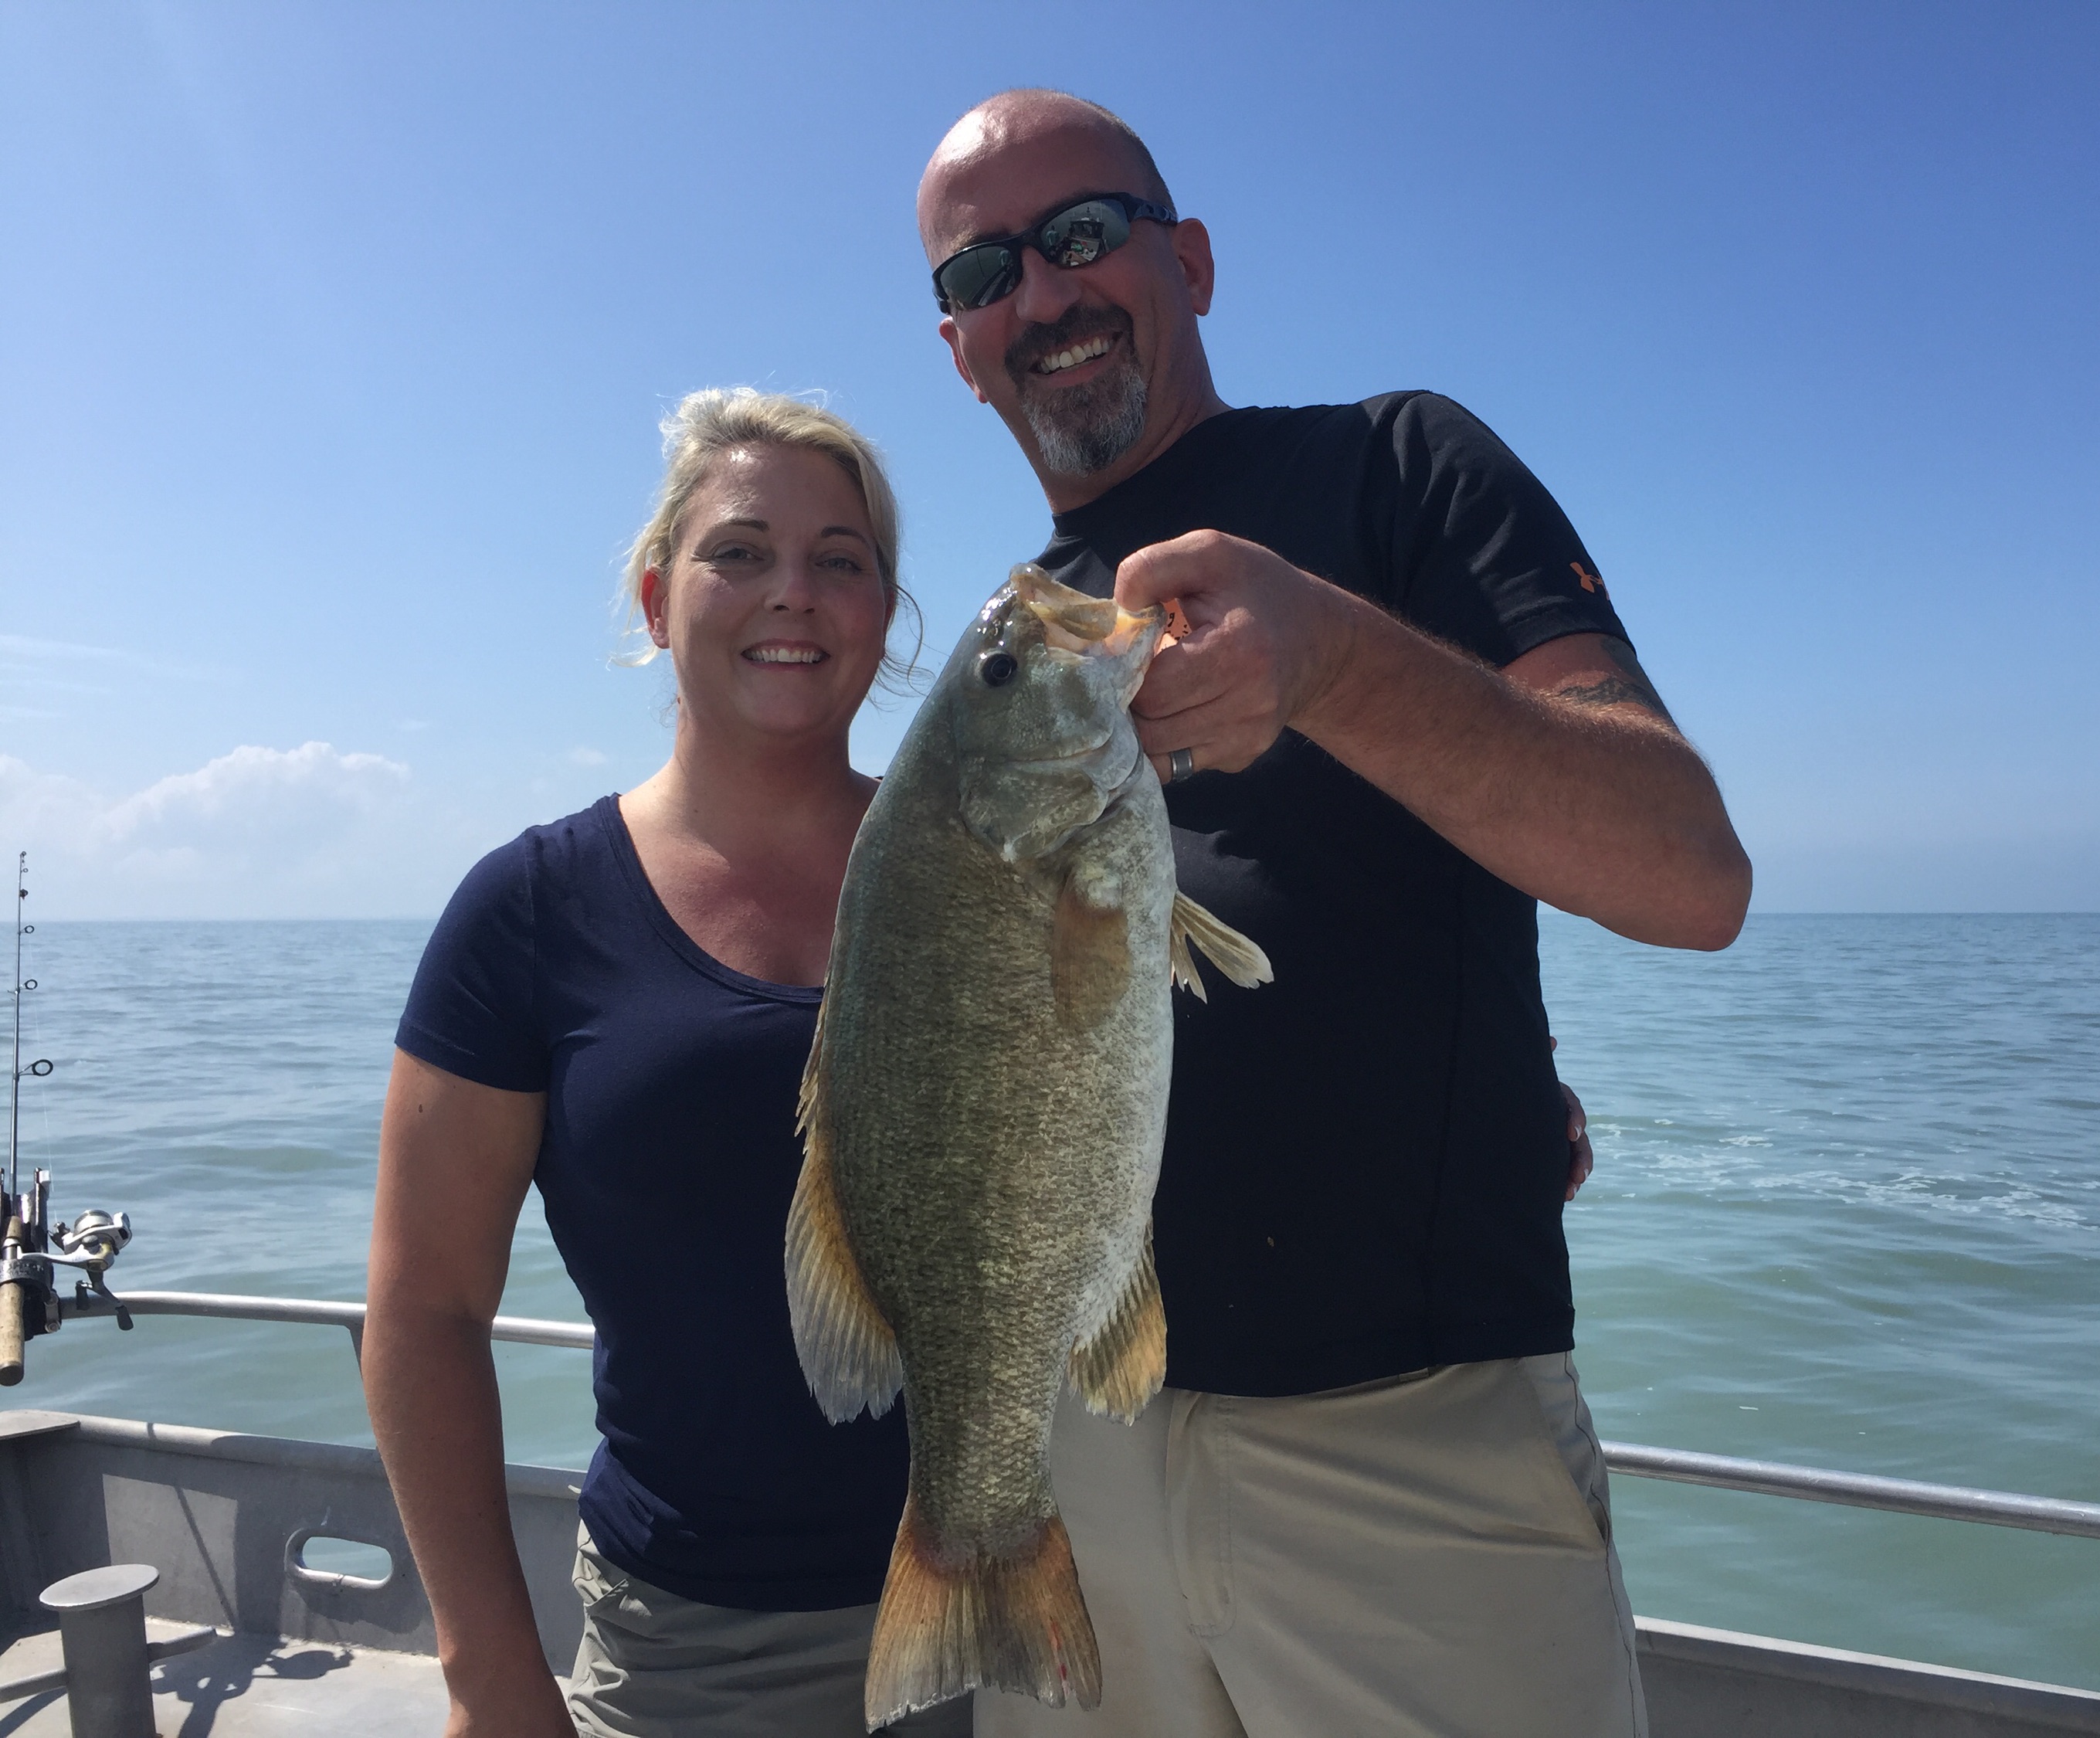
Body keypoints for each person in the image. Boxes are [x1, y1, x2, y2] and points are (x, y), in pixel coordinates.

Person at [915, 92, 1752, 1737]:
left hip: (1407, 1446)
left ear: (1194, 261)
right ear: (958, 344)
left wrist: (1340, 663)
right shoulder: (1012, 661)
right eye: (982, 272)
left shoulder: (1398, 467)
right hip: (1068, 1439)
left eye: (1086, 234)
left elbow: (1688, 873)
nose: (1046, 295)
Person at [363, 389, 971, 1738]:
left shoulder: (994, 867)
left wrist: (1507, 1098)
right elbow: (423, 1312)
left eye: (841, 560)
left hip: (1029, 1591)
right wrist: (490, 1676)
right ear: (656, 598)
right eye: (740, 550)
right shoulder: (526, 911)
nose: (793, 594)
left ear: (885, 613)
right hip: (696, 1644)